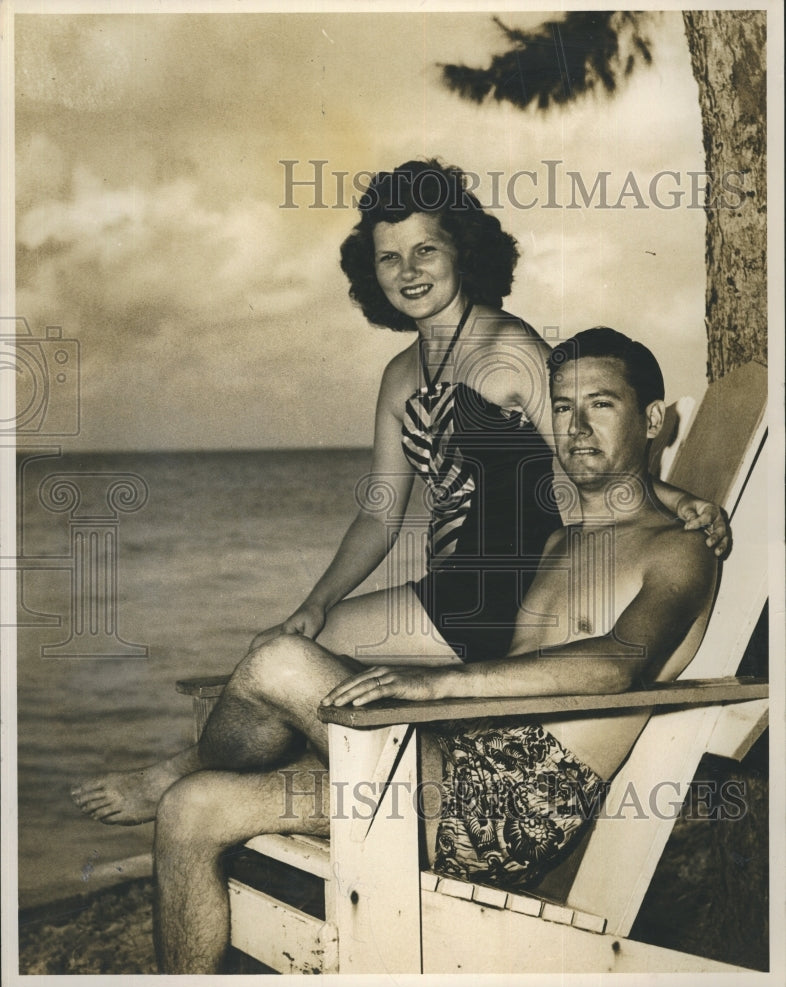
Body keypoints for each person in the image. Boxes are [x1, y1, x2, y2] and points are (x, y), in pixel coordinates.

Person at [72, 159, 727, 827]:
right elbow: (380, 515)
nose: (409, 270)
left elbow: (585, 454)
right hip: (448, 593)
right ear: (370, 272)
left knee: (282, 670)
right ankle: (224, 796)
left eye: (425, 250)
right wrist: (315, 603)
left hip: (512, 595)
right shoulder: (398, 375)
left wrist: (672, 502)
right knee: (289, 650)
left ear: (462, 254)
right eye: (389, 258)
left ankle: (184, 775)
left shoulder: (512, 348)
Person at [145, 326, 719, 972]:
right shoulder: (561, 545)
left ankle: (189, 760)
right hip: (444, 771)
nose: (576, 427)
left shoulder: (681, 550)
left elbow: (621, 664)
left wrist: (429, 685)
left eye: (600, 405)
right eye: (561, 407)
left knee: (280, 661)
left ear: (650, 420)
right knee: (188, 813)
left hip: (509, 808)